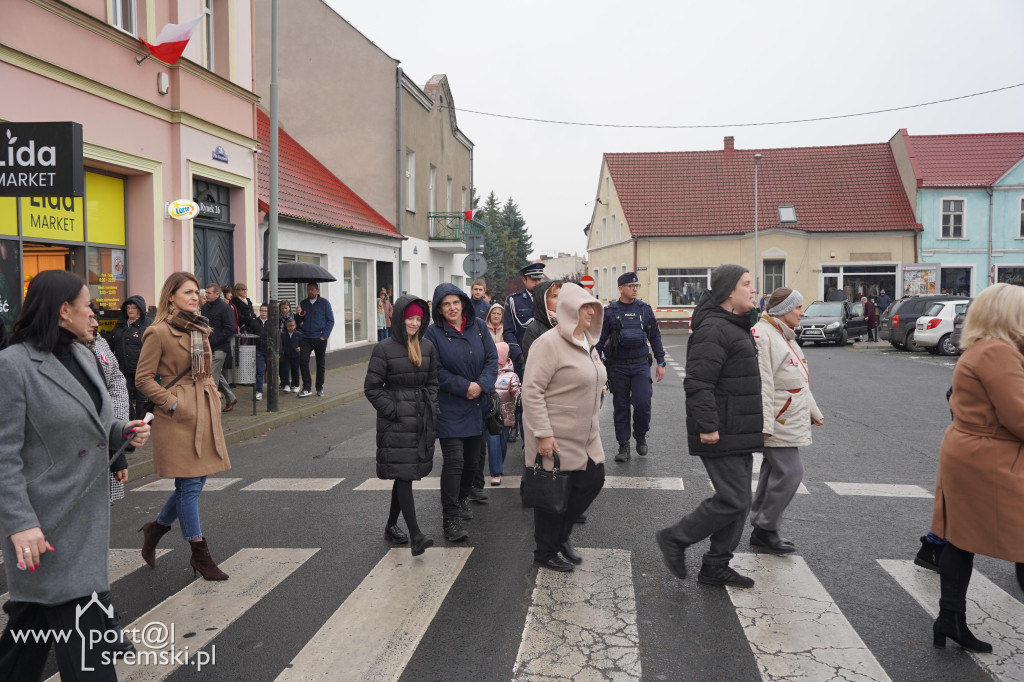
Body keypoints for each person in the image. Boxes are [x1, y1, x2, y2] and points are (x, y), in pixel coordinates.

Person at [0, 270, 150, 681]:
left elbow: (93, 422)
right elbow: (3, 454)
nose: (95, 315)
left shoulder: (85, 354)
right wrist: (21, 523)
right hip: (45, 525)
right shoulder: (13, 366)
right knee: (87, 650)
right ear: (63, 310)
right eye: (89, 306)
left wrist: (123, 431)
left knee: (29, 631)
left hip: (83, 516)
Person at [928, 282, 1024, 654]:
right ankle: (949, 617)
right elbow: (1018, 416)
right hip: (992, 457)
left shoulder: (988, 349)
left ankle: (949, 618)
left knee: (961, 537)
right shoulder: (997, 353)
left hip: (974, 452)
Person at [655, 264, 762, 589]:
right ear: (729, 291)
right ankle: (675, 538)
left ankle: (716, 564)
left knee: (740, 503)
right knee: (732, 499)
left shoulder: (734, 325)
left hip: (739, 429)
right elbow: (699, 383)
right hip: (720, 429)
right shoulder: (714, 329)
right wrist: (707, 425)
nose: (753, 289)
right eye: (747, 284)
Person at [135, 272, 232, 581]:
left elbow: (202, 372)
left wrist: (213, 396)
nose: (195, 296)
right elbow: (143, 379)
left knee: (196, 482)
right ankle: (199, 553)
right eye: (188, 292)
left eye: (197, 292)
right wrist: (173, 403)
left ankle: (156, 529)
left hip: (203, 409)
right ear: (171, 296)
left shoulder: (199, 328)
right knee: (188, 486)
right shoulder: (158, 332)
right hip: (178, 416)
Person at [523, 282, 608, 572]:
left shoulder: (588, 342)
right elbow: (531, 390)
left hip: (586, 434)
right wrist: (543, 434)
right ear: (570, 309)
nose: (591, 312)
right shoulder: (548, 343)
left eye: (593, 307)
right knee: (551, 497)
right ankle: (545, 551)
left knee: (592, 481)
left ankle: (561, 536)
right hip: (555, 435)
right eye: (585, 307)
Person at [750, 288, 824, 554]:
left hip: (785, 416)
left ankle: (762, 527)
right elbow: (764, 385)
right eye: (798, 308)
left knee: (773, 473)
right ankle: (766, 527)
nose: (802, 312)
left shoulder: (784, 334)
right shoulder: (763, 335)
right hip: (778, 420)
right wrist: (765, 425)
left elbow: (797, 380)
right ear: (782, 311)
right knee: (792, 473)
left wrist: (813, 411)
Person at [363, 296, 438, 556]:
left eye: (418, 318)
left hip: (420, 421)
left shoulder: (427, 347)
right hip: (396, 423)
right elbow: (372, 387)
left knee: (404, 473)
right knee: (405, 475)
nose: (415, 323)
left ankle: (390, 525)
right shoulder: (384, 349)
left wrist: (432, 409)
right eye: (410, 318)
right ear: (400, 318)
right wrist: (393, 409)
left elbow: (433, 382)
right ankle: (416, 535)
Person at [80, 304, 135, 654]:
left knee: (94, 541)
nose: (93, 318)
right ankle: (105, 622)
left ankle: (103, 621)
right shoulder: (48, 357)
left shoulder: (99, 345)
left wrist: (119, 442)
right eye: (85, 309)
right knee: (84, 546)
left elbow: (117, 383)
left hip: (104, 451)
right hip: (73, 468)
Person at [424, 283, 498, 543]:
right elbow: (435, 370)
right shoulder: (433, 334)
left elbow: (491, 359)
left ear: (463, 303)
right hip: (450, 407)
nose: (452, 308)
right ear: (440, 310)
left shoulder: (478, 326)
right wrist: (464, 386)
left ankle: (463, 497)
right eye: (446, 304)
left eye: (455, 302)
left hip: (477, 405)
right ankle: (450, 517)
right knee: (454, 462)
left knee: (473, 462)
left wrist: (481, 385)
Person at [596, 272, 666, 462]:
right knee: (621, 407)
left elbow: (655, 337)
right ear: (621, 288)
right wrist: (593, 363)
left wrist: (661, 362)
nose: (635, 289)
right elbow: (600, 341)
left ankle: (640, 434)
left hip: (640, 364)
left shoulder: (645, 309)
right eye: (631, 286)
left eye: (637, 286)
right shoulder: (610, 312)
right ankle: (623, 445)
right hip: (617, 367)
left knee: (643, 402)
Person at [109, 294, 151, 419]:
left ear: (140, 309)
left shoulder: (147, 325)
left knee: (141, 398)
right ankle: (130, 420)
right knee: (123, 395)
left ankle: (141, 422)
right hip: (123, 368)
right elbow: (112, 342)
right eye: (128, 308)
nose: (130, 310)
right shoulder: (120, 324)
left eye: (133, 308)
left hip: (141, 368)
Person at [487, 342, 520, 486]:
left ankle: (498, 466)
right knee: (493, 443)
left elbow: (517, 392)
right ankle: (496, 472)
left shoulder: (512, 375)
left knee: (502, 445)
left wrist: (520, 396)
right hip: (491, 416)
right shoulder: (487, 372)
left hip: (507, 417)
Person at [503, 262, 546, 373]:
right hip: (522, 358)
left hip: (545, 356)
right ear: (524, 280)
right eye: (533, 279)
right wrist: (518, 354)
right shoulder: (514, 300)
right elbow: (508, 332)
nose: (537, 283)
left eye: (539, 280)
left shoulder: (548, 300)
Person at [202, 283, 238, 411]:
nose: (205, 295)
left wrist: (216, 339)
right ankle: (231, 397)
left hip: (220, 348)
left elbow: (230, 328)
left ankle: (212, 408)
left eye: (208, 293)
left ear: (217, 294)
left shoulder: (226, 308)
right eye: (205, 292)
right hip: (207, 347)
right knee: (216, 374)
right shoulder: (205, 307)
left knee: (210, 376)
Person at [295, 282, 334, 398]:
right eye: (308, 290)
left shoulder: (325, 303)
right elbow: (297, 321)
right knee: (303, 361)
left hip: (319, 338)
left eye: (312, 290)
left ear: (317, 290)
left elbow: (330, 321)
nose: (310, 292)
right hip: (306, 337)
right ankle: (307, 387)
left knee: (320, 363)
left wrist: (324, 335)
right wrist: (298, 314)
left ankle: (319, 387)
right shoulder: (303, 303)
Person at [521, 279, 561, 365]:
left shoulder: (570, 324)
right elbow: (533, 364)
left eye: (561, 296)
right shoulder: (533, 330)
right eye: (554, 296)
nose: (559, 300)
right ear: (543, 301)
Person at [247, 303, 272, 400]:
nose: (263, 313)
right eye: (262, 311)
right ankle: (259, 391)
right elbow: (251, 336)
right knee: (260, 370)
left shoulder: (271, 322)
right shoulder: (255, 322)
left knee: (271, 371)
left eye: (265, 311)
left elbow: (277, 336)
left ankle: (271, 390)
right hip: (259, 350)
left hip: (269, 350)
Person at [280, 318, 302, 393]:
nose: (290, 327)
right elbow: (281, 345)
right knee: (285, 370)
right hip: (286, 355)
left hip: (296, 356)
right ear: (286, 326)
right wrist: (281, 352)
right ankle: (286, 384)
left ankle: (296, 385)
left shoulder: (299, 334)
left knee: (295, 370)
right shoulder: (283, 335)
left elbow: (303, 344)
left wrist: (300, 347)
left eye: (292, 325)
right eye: (288, 326)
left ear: (295, 326)